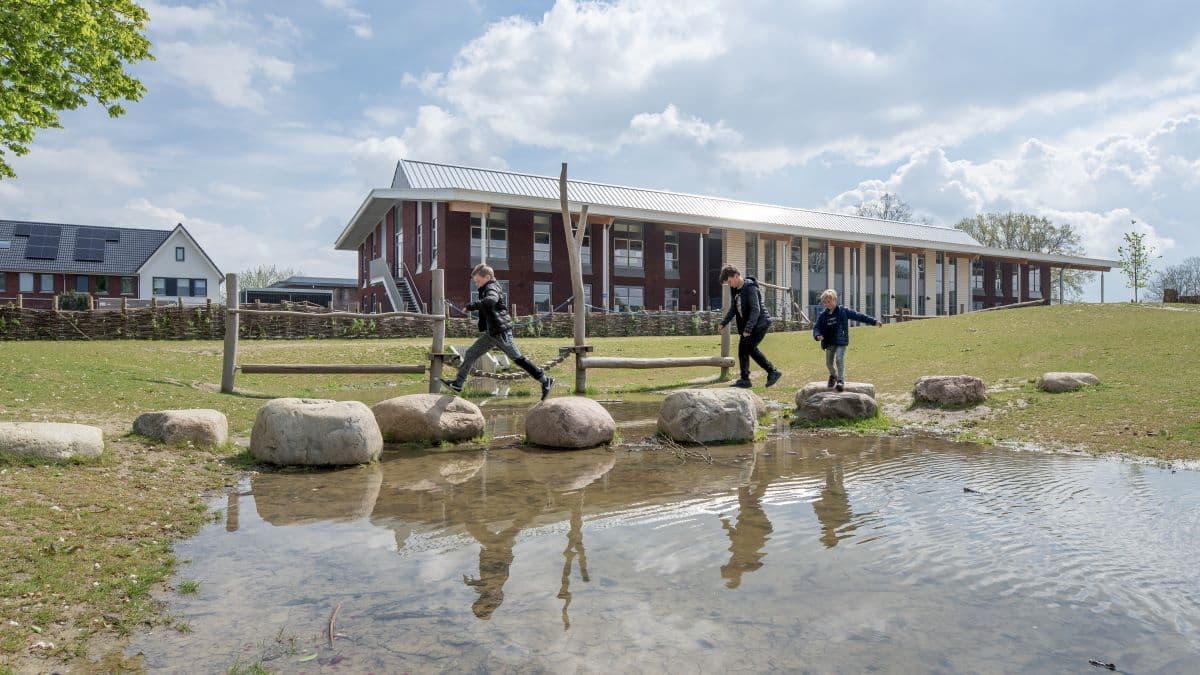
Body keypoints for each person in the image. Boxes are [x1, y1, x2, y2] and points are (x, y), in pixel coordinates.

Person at [440, 263, 554, 400]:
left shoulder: (491, 287)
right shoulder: (487, 287)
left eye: (478, 281)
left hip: (501, 332)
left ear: (487, 277)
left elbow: (491, 301)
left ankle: (545, 380)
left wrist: (472, 306)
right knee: (470, 353)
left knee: (518, 359)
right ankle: (457, 384)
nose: (476, 284)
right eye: (475, 282)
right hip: (493, 333)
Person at [718, 264, 783, 389]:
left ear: (736, 275)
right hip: (749, 325)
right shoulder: (735, 289)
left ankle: (772, 372)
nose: (730, 285)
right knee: (743, 349)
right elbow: (734, 308)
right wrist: (724, 323)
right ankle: (745, 379)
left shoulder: (750, 287)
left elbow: (755, 310)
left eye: (730, 282)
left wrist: (748, 329)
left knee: (750, 348)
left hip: (760, 323)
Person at [812, 288, 881, 391]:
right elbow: (817, 327)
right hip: (829, 342)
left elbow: (859, 316)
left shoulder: (843, 311)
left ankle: (840, 380)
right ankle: (833, 376)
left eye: (829, 301)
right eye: (825, 302)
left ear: (835, 300)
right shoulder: (823, 315)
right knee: (829, 364)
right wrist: (817, 335)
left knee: (839, 359)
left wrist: (874, 321)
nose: (827, 304)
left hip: (841, 341)